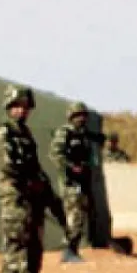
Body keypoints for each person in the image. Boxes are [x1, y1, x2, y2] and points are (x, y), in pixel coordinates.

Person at [0, 85, 51, 273]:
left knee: (34, 244)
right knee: (15, 244)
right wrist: (29, 183)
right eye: (16, 106)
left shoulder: (26, 134)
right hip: (14, 197)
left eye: (25, 107)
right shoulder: (3, 132)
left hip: (32, 197)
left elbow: (35, 166)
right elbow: (6, 167)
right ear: (8, 107)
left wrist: (46, 190)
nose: (21, 111)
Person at [49, 102, 96, 263]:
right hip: (70, 182)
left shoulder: (83, 135)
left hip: (82, 181)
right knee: (73, 216)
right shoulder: (65, 133)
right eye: (78, 116)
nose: (81, 119)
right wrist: (71, 167)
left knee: (80, 216)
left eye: (83, 115)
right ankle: (68, 250)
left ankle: (73, 249)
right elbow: (55, 155)